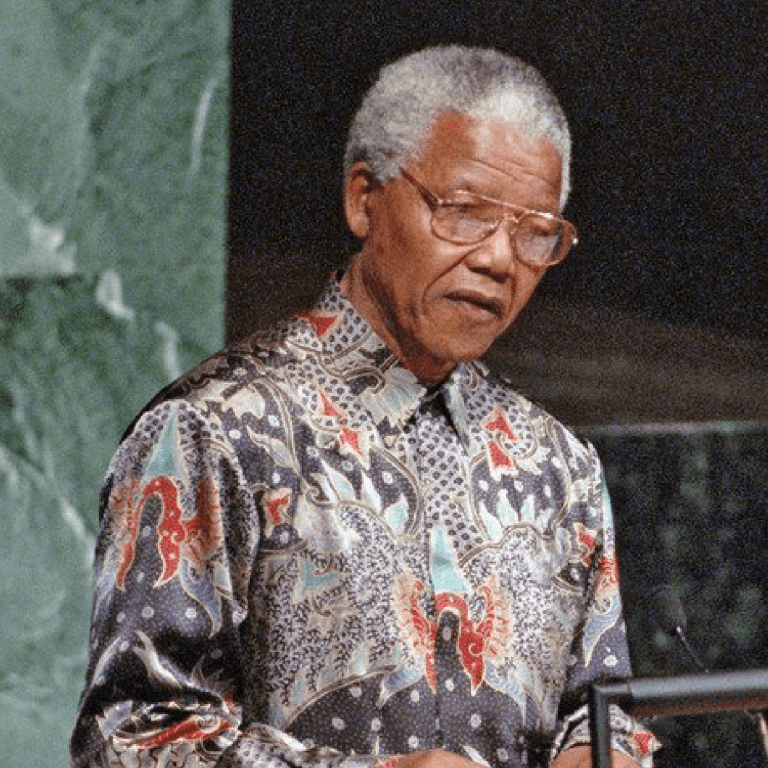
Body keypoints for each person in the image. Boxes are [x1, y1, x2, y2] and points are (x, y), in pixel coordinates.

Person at [71, 45, 657, 768]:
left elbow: (603, 709)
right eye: (465, 213)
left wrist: (602, 751)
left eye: (535, 232)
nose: (499, 260)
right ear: (364, 200)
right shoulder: (215, 431)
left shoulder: (558, 465)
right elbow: (130, 740)